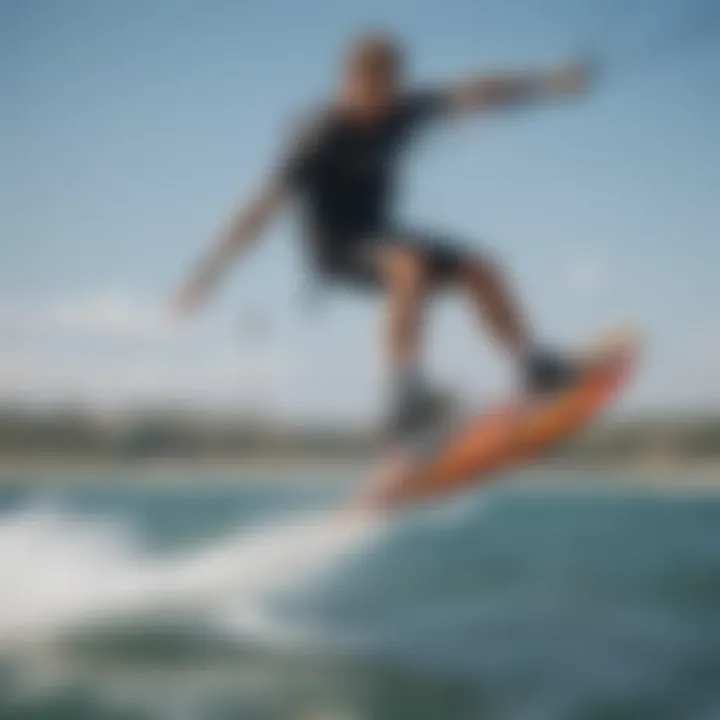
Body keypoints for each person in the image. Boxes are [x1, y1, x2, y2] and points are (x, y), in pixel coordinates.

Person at [173, 30, 591, 503]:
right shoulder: (318, 137)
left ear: (394, 84)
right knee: (406, 265)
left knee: (482, 268)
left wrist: (547, 83)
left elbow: (476, 91)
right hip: (336, 250)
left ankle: (531, 365)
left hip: (385, 237)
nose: (377, 101)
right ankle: (404, 402)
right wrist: (206, 274)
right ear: (347, 81)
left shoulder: (401, 110)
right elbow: (258, 211)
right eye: (368, 88)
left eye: (386, 89)